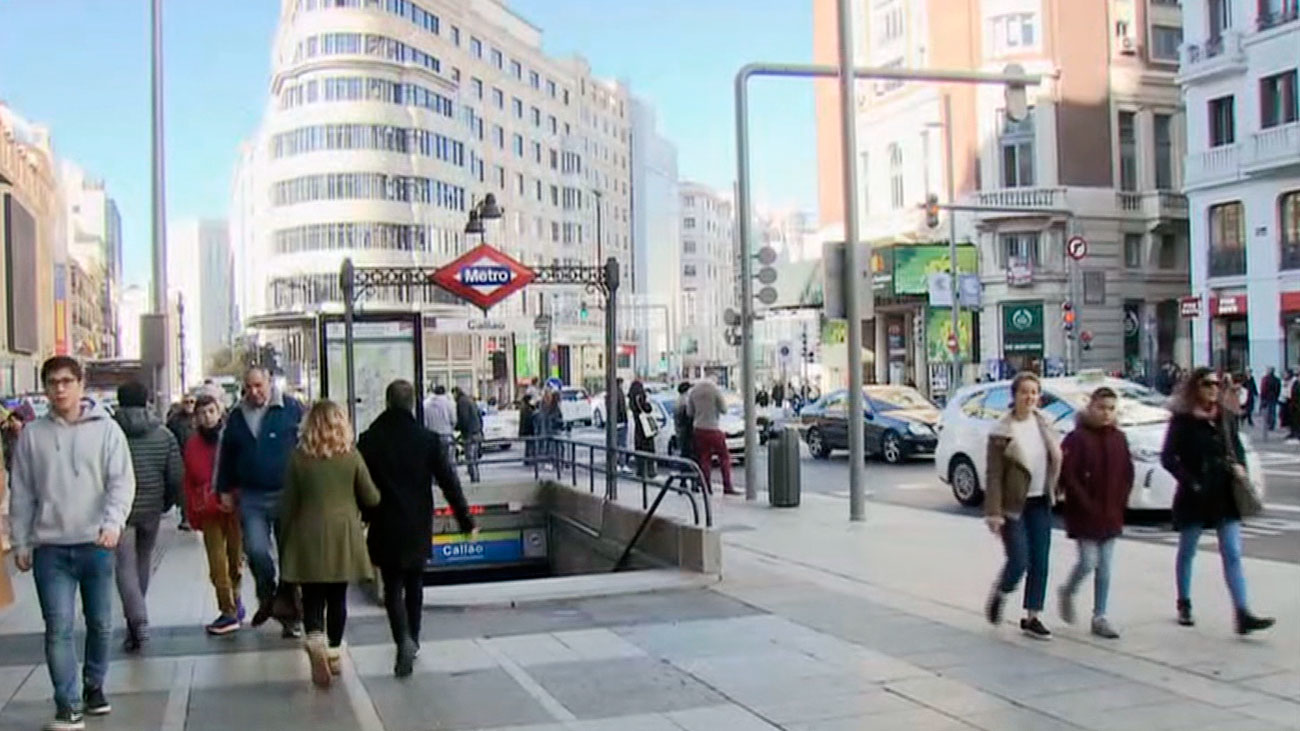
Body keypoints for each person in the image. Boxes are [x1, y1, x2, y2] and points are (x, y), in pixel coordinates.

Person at [10, 356, 135, 730]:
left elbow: (121, 482)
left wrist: (113, 524)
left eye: (67, 381)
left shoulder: (107, 431)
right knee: (58, 627)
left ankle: (93, 685)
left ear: (81, 385)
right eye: (52, 383)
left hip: (96, 542)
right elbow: (22, 493)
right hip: (51, 546)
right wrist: (21, 541)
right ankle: (67, 704)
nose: (59, 389)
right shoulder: (33, 435)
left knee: (99, 623)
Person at [358, 381, 476, 678]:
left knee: (392, 586)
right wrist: (465, 520)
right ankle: (415, 638)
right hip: (416, 523)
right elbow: (449, 482)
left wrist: (362, 515)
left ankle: (402, 640)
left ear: (387, 402)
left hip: (384, 522)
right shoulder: (427, 440)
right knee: (415, 582)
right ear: (412, 404)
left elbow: (358, 484)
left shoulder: (370, 440)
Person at [1161, 367, 1275, 635]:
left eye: (1216, 384)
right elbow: (1168, 457)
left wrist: (1241, 471)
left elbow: (1235, 448)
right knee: (1188, 549)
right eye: (1206, 384)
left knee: (1233, 553)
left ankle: (1242, 612)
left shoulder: (1224, 417)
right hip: (1196, 493)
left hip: (1224, 492)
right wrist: (1191, 481)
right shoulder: (1182, 420)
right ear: (1195, 388)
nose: (1213, 389)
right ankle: (1184, 602)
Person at [279, 400, 380, 688]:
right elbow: (371, 497)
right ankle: (334, 653)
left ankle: (314, 640)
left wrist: (285, 542)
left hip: (306, 535)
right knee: (338, 598)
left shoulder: (298, 458)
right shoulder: (351, 456)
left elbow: (287, 506)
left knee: (312, 597)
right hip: (342, 535)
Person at [216, 366, 306, 638]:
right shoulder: (237, 416)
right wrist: (223, 489)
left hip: (287, 493)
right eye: (249, 387)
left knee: (291, 559)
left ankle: (290, 614)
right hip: (252, 495)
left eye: (258, 386)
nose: (254, 392)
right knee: (256, 552)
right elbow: (227, 454)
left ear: (269, 383)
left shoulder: (291, 409)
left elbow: (305, 447)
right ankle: (267, 596)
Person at [984, 371, 1061, 640]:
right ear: (1014, 396)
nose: (1029, 397)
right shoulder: (1001, 431)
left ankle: (1032, 616)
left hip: (1041, 500)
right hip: (1013, 504)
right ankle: (1001, 592)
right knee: (1019, 560)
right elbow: (993, 475)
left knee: (1040, 561)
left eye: (1034, 392)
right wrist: (994, 512)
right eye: (1024, 392)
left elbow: (1056, 460)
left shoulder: (1046, 425)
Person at [1056, 387, 1133, 640]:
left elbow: (1127, 473)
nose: (1106, 414)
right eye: (1101, 408)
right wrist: (1082, 501)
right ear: (1090, 407)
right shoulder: (1077, 438)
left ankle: (1100, 615)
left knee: (1106, 567)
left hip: (1111, 511)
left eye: (1111, 409)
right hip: (1085, 512)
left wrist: (1122, 500)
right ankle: (1068, 590)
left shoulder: (1119, 438)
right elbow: (1069, 474)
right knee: (1088, 561)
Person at [112, 381, 183, 653]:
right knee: (143, 561)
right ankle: (137, 615)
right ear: (147, 400)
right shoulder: (163, 434)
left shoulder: (110, 432)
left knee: (124, 566)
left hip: (120, 509)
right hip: (152, 507)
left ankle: (137, 619)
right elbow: (175, 474)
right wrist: (167, 503)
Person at [184, 394, 244, 636]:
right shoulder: (192, 445)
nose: (207, 417)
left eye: (211, 411)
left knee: (235, 560)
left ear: (219, 412)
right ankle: (227, 609)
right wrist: (192, 514)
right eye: (202, 413)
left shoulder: (231, 438)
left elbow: (242, 468)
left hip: (234, 507)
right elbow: (188, 481)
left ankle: (236, 598)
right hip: (209, 510)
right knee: (217, 563)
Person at [686, 378, 736, 495]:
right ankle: (727, 486)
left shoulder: (693, 391)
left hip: (698, 428)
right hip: (713, 427)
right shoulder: (715, 390)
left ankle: (706, 487)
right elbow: (724, 409)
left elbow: (689, 412)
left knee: (704, 458)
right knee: (724, 457)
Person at [453, 386, 483, 483]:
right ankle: (476, 478)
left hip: (469, 434)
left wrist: (457, 428)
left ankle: (474, 480)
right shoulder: (470, 400)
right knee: (474, 459)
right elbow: (479, 416)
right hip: (477, 431)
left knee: (469, 459)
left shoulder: (461, 402)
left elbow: (463, 418)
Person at [628, 380, 657, 478]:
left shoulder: (632, 399)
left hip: (638, 427)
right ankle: (650, 471)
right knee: (649, 449)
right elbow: (647, 408)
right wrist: (648, 405)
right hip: (645, 427)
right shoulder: (640, 397)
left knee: (639, 449)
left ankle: (640, 470)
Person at [674, 381, 694, 463]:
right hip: (685, 432)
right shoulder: (684, 402)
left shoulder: (679, 400)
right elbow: (687, 417)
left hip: (681, 431)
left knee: (684, 453)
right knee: (687, 453)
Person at [1259, 367, 1281, 431]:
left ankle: (1268, 424)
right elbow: (1278, 389)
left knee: (1267, 412)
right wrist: (1276, 396)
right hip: (1273, 397)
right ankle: (1272, 424)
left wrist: (1262, 397)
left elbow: (1263, 389)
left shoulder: (1265, 379)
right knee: (1272, 411)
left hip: (1266, 397)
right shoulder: (1277, 379)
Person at [614, 378, 629, 465]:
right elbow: (622, 408)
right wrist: (624, 419)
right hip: (621, 422)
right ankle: (622, 464)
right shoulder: (620, 394)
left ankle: (616, 463)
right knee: (622, 444)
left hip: (614, 422)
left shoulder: (611, 393)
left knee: (615, 444)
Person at [519, 392, 537, 463]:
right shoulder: (526, 408)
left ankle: (528, 459)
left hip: (526, 429)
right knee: (530, 445)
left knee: (529, 445)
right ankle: (528, 459)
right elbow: (528, 418)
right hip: (528, 429)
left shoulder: (525, 407)